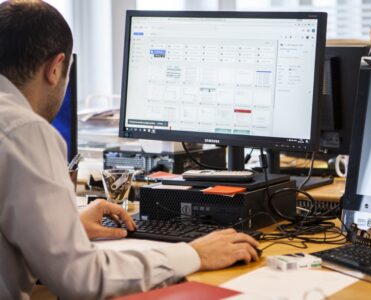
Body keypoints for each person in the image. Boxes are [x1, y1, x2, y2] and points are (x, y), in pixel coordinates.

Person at [0, 1, 260, 299]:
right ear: (55, 68)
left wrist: (67, 227)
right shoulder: (24, 131)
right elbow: (82, 279)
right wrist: (193, 254)